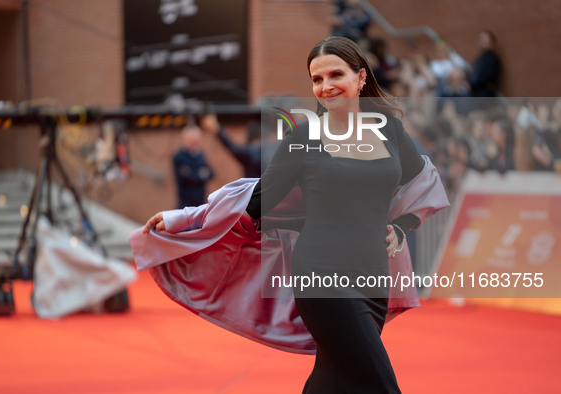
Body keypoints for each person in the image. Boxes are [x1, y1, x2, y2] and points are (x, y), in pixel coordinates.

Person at [136, 37, 449, 393]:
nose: (326, 86)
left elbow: (422, 180)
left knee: (333, 380)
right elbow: (257, 200)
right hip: (321, 274)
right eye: (317, 79)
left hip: (374, 278)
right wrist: (185, 219)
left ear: (361, 78)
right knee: (379, 384)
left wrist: (402, 225)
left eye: (336, 74)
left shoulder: (390, 131)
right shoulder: (304, 136)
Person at [172, 125, 213, 208]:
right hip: (185, 204)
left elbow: (211, 174)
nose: (195, 142)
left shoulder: (201, 155)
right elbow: (187, 178)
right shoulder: (179, 156)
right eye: (192, 139)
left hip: (200, 204)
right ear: (185, 139)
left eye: (197, 139)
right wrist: (200, 174)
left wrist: (193, 173)